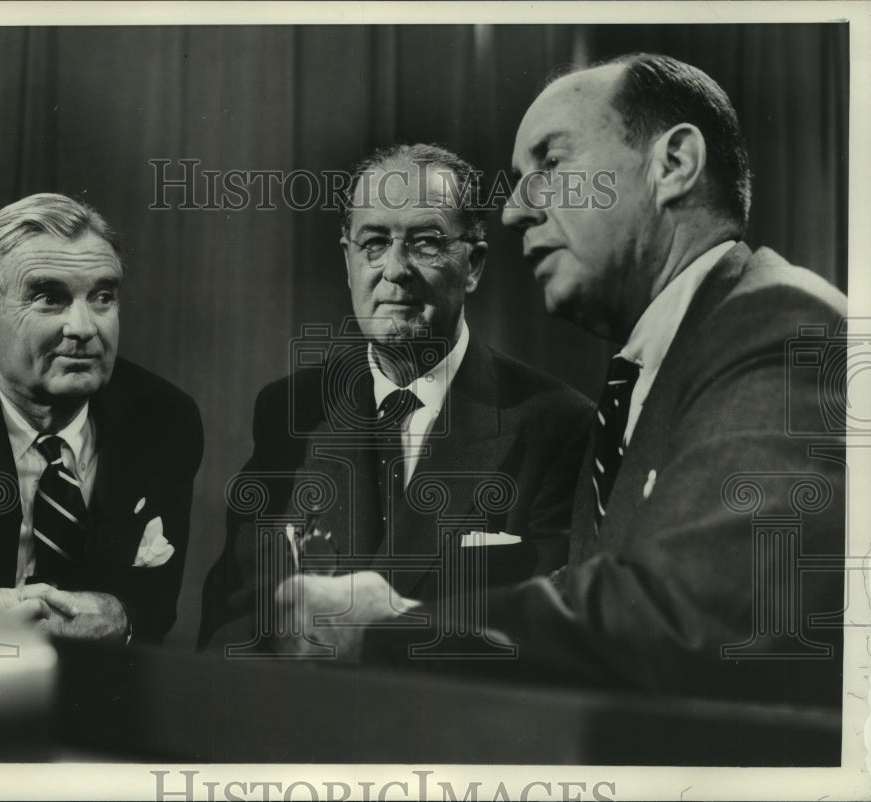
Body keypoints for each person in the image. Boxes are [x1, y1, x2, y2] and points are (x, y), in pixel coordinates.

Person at [272, 56, 847, 707]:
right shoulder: (654, 371)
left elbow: (684, 617)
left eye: (550, 164)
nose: (516, 210)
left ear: (675, 164)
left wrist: (390, 628)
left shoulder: (787, 329)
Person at [199, 144, 593, 649]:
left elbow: (546, 641)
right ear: (348, 261)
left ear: (472, 265)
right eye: (374, 243)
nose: (395, 269)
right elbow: (234, 620)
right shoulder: (290, 410)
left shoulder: (556, 424)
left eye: (426, 243)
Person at [0, 193, 204, 644]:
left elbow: (153, 606)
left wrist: (118, 614)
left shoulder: (163, 419)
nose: (83, 327)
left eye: (102, 297)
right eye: (48, 299)